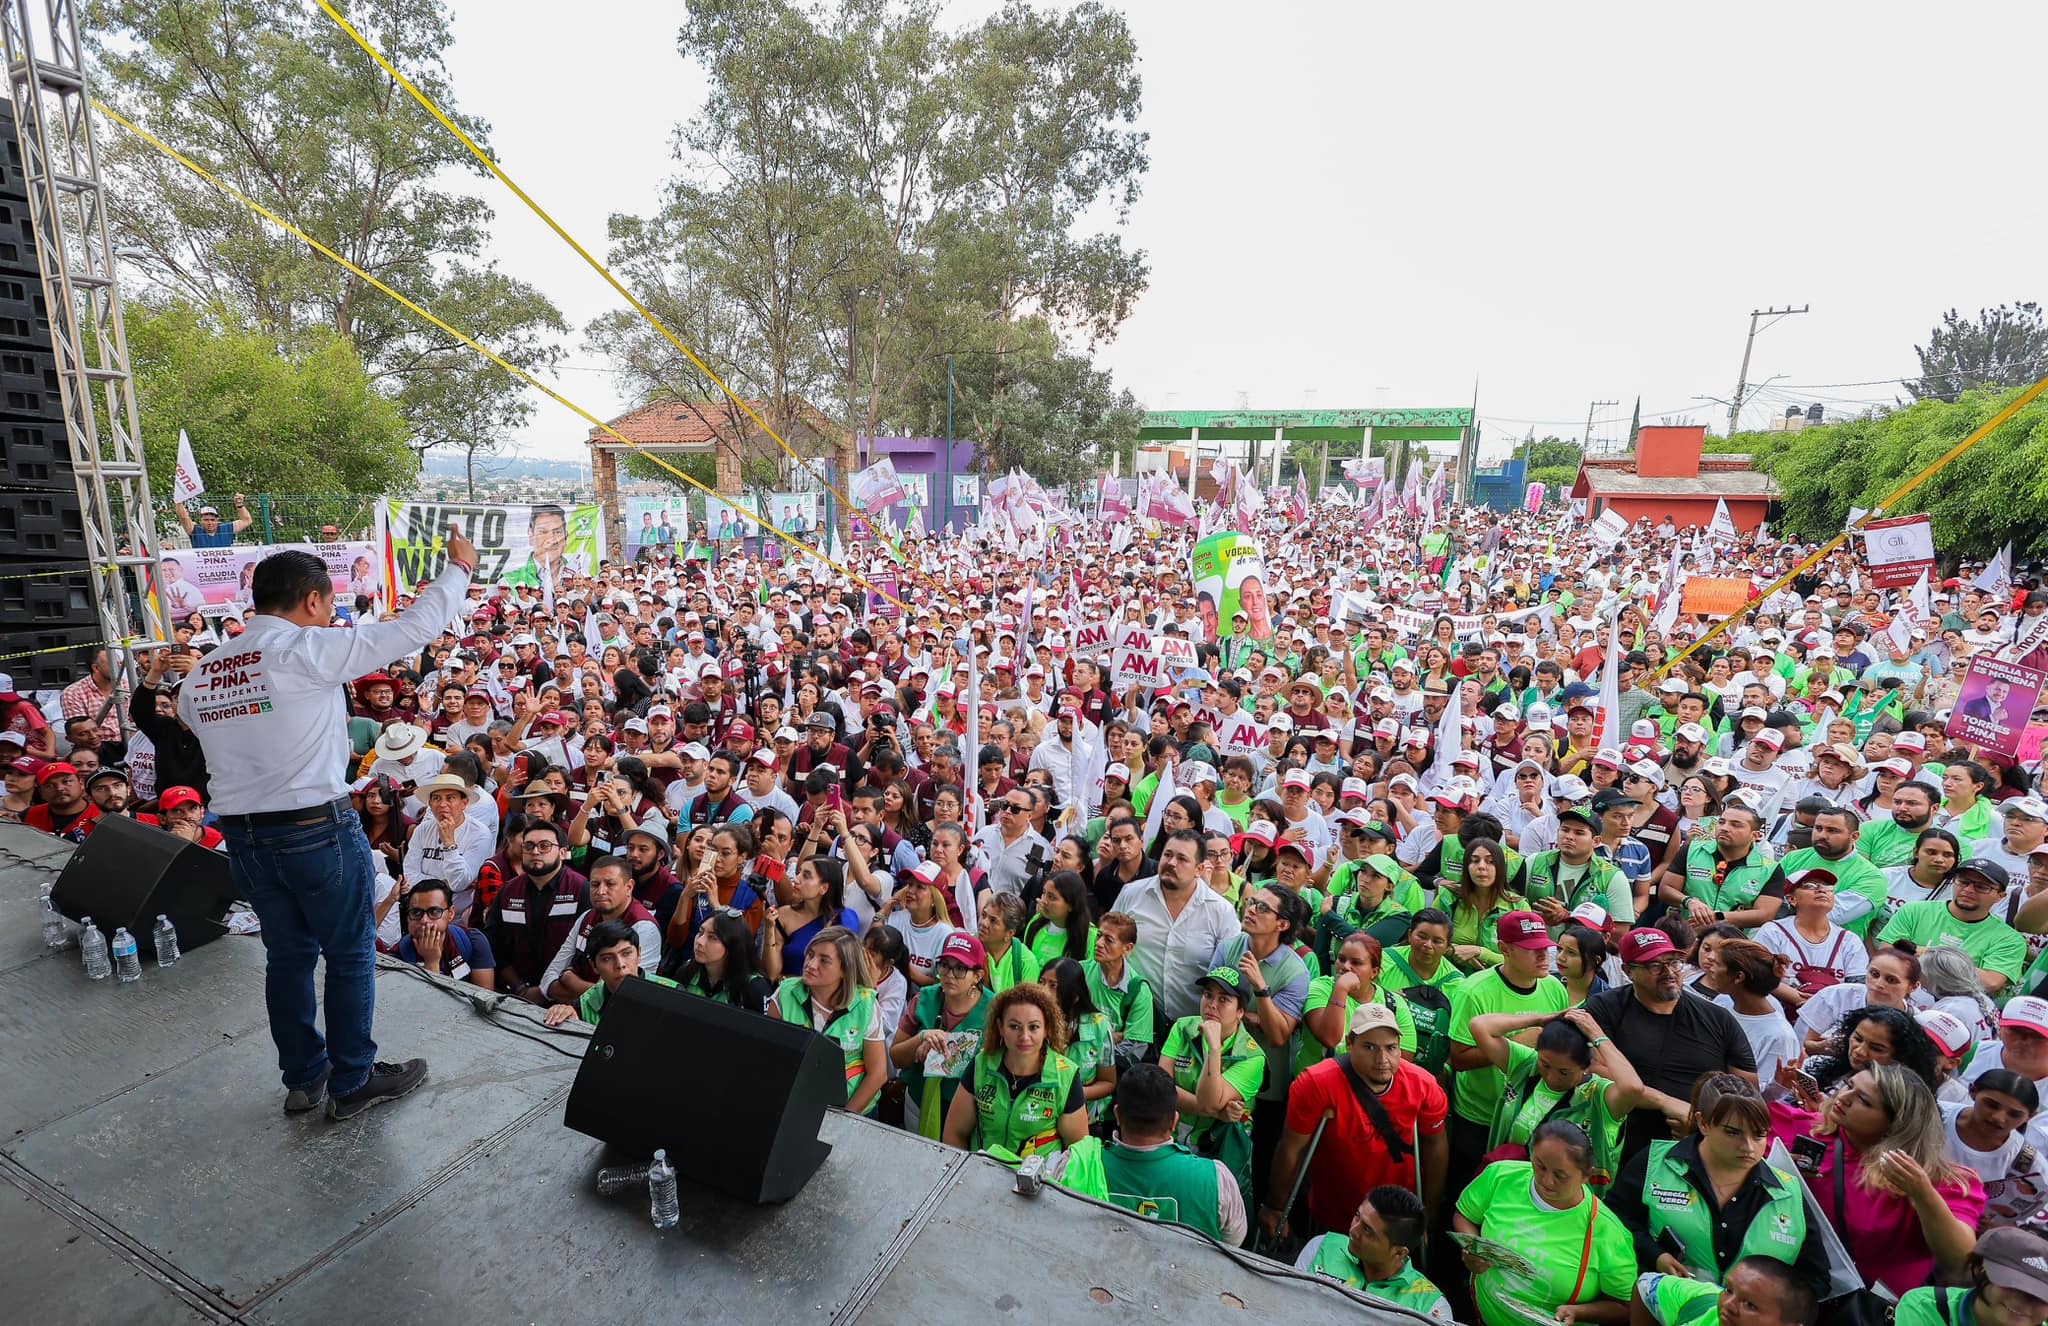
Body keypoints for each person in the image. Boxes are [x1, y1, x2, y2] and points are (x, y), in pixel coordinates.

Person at [190, 527, 475, 1121]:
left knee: (287, 956)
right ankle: (352, 1081)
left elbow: (209, 730)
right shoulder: (303, 650)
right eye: (325, 606)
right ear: (313, 601)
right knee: (347, 955)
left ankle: (303, 1078)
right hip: (312, 828)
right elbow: (413, 629)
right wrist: (460, 570)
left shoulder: (204, 674)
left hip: (244, 836)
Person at [1767, 1062, 1984, 1294]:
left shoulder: (1940, 1180)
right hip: (1772, 1288)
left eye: (1865, 1101)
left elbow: (1961, 1262)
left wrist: (1923, 1195)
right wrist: (1774, 1170)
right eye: (1849, 1085)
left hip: (1858, 1312)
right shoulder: (1796, 1126)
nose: (1844, 1097)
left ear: (1896, 1125)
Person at [1608, 1074, 1829, 1295]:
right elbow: (1613, 1219)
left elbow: (1816, 1280)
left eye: (1759, 1135)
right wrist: (1654, 1255)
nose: (1749, 1147)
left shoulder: (1789, 1190)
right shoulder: (1655, 1162)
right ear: (1703, 1123)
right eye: (1733, 1133)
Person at [1263, 1002, 1448, 1245]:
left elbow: (1435, 1147)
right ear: (1350, 1044)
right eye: (1369, 1047)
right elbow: (1291, 1148)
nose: (1382, 1059)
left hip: (1397, 1217)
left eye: (1391, 1048)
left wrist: (1430, 1213)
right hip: (1335, 1207)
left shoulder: (1423, 1086)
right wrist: (1276, 1207)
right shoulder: (1316, 1083)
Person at [1586, 927, 1757, 1160]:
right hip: (1622, 1144)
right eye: (1654, 966)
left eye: (1674, 962)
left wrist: (1702, 1123)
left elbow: (1747, 1088)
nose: (1669, 972)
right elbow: (1596, 1071)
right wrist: (1665, 1102)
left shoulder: (1718, 1019)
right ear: (1628, 971)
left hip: (1699, 1149)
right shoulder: (1605, 1008)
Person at [1453, 1118, 1637, 1326]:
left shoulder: (1607, 1232)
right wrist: (1473, 1247)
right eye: (1540, 1166)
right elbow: (1465, 1215)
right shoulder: (1501, 1176)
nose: (1547, 1181)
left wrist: (1581, 1312)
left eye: (1561, 1175)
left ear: (1587, 1175)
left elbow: (1626, 1308)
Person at [1046, 1063, 1248, 1244]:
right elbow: (1235, 1242)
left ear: (1117, 1114)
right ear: (1174, 1121)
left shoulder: (1074, 1164)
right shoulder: (1217, 1179)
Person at [1466, 1005, 1654, 1186]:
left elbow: (1633, 1088)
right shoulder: (1526, 1068)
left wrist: (1597, 1034)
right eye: (1545, 1064)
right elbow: (1480, 1025)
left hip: (1565, 1202)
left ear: (1587, 1065)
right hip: (1509, 1186)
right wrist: (1541, 1019)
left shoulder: (1598, 1097)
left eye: (1564, 1072)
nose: (1551, 1076)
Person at [1111, 828, 1242, 1037]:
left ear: (1199, 869)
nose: (1171, 863)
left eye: (1182, 859)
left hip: (1192, 1031)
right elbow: (1109, 947)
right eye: (1168, 855)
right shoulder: (1131, 895)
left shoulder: (1220, 911)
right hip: (1133, 1025)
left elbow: (1230, 973)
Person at [1159, 964, 1266, 1208]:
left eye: (1224, 999)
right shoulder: (1183, 1027)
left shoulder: (1252, 1058)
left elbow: (1208, 1100)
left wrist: (1214, 1049)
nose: (1211, 1004)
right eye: (1207, 995)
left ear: (1240, 1011)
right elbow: (1162, 1088)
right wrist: (1216, 1111)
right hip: (1170, 1142)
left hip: (1216, 1156)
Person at [941, 981, 1088, 1158]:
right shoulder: (981, 1065)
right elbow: (954, 1134)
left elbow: (1078, 1153)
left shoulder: (1066, 1076)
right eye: (1014, 1026)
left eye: (1033, 1027)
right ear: (1000, 1027)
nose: (1024, 1036)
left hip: (1037, 1183)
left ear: (1046, 1029)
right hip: (982, 1177)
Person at [769, 925, 887, 1116]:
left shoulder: (866, 1004)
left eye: (824, 961)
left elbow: (878, 1074)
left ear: (845, 970)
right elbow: (771, 1057)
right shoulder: (785, 993)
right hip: (795, 1105)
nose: (811, 964)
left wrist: (843, 1118)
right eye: (810, 954)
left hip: (852, 1108)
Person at [891, 931, 994, 1139]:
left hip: (969, 1109)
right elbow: (896, 1057)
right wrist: (921, 1038)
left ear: (978, 975)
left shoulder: (996, 1010)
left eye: (960, 968)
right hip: (919, 1100)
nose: (949, 974)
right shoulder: (925, 999)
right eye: (945, 965)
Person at [1292, 1187, 1450, 1320]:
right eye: (1357, 1217)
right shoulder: (1322, 1247)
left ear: (1399, 1252)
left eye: (1367, 1230)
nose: (1353, 1231)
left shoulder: (1430, 1306)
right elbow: (1290, 1310)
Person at [1892, 1227, 2048, 1326]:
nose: (2024, 1302)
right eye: (2014, 1285)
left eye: (2042, 1296)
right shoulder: (1927, 1307)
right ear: (1981, 1269)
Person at [541, 919, 678, 1027]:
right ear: (594, 966)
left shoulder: (673, 994)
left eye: (627, 953)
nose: (620, 964)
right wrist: (563, 1012)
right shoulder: (586, 1003)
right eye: (607, 958)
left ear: (639, 954)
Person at [1629, 1255, 1819, 1326]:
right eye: (1729, 1290)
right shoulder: (1703, 1302)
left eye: (1750, 1305)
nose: (1728, 1305)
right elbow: (1646, 1283)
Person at [659, 907, 772, 1012]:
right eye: (700, 932)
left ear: (732, 946)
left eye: (712, 937)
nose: (700, 942)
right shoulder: (688, 970)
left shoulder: (755, 987)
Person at [391, 879, 496, 989]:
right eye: (416, 913)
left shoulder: (473, 941)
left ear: (450, 914)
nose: (424, 920)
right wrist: (431, 963)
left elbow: (485, 999)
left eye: (434, 912)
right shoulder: (398, 956)